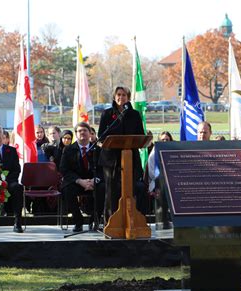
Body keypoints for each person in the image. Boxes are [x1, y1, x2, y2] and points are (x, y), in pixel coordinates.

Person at [97, 86, 146, 221]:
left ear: (128, 98)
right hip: (111, 160)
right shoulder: (107, 114)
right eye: (118, 94)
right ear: (114, 96)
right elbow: (101, 136)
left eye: (124, 95)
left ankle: (131, 221)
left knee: (131, 190)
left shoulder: (134, 114)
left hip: (130, 158)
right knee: (111, 192)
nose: (121, 97)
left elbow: (140, 135)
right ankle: (110, 222)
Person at [60, 122, 105, 232]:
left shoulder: (98, 150)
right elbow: (64, 169)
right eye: (79, 131)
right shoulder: (68, 150)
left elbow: (103, 169)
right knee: (67, 189)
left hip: (94, 181)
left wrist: (95, 180)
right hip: (76, 182)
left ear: (90, 133)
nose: (82, 133)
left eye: (85, 130)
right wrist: (80, 181)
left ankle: (95, 220)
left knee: (103, 188)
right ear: (76, 134)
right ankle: (78, 221)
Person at [147, 131, 174, 230]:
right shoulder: (154, 153)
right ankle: (162, 221)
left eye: (167, 139)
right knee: (161, 188)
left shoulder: (173, 151)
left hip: (172, 182)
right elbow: (151, 172)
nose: (165, 141)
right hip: (157, 182)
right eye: (163, 139)